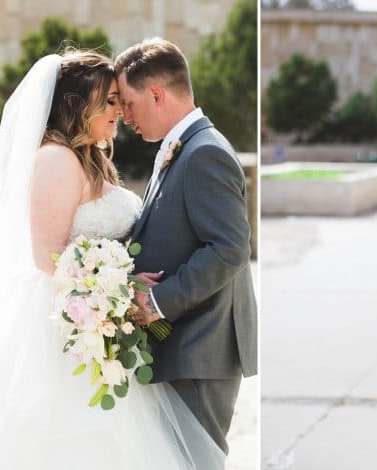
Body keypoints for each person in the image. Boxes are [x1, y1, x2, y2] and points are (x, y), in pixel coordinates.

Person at [0, 51, 224, 467]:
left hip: (97, 319)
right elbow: (47, 254)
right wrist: (114, 290)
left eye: (119, 101)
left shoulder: (91, 158)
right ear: (76, 104)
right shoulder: (56, 158)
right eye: (109, 101)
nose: (119, 111)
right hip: (63, 328)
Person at [115, 38, 258, 453]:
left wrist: (157, 302)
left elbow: (231, 247)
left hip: (201, 348)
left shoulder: (204, 153)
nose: (125, 117)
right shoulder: (183, 147)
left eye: (129, 104)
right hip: (184, 347)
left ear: (156, 94)